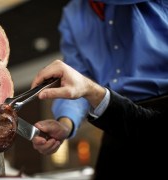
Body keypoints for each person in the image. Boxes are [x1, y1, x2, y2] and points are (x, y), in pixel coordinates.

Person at [32, 0, 168, 178]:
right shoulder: (74, 13)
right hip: (115, 119)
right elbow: (77, 77)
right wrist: (65, 124)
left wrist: (88, 88)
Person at [31, 60, 167, 177]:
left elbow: (155, 130)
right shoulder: (77, 30)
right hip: (113, 129)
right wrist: (65, 125)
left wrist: (91, 90)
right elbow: (74, 82)